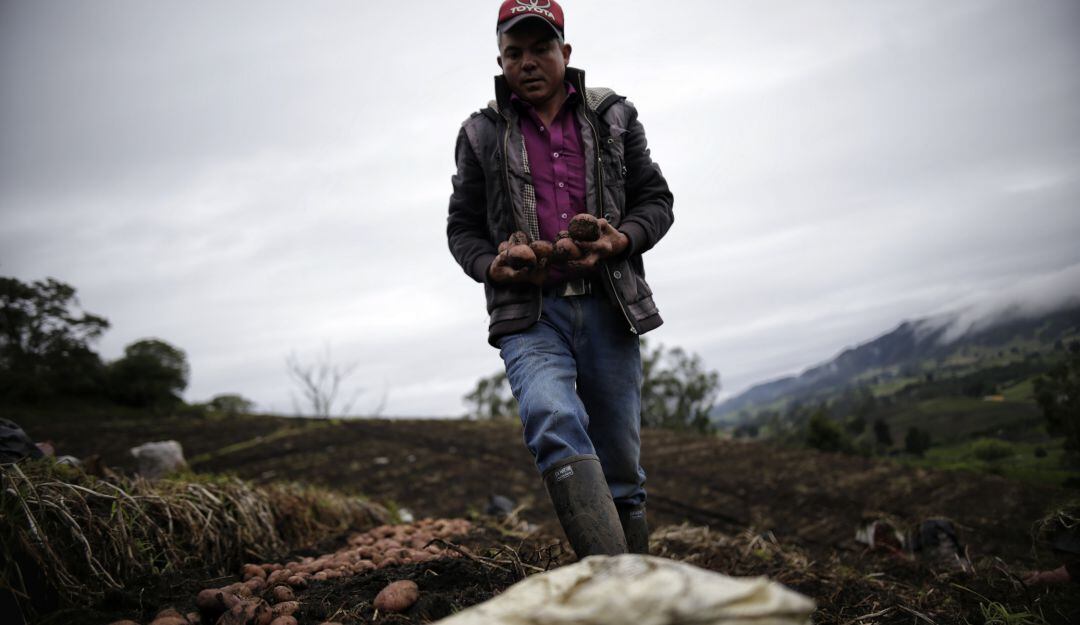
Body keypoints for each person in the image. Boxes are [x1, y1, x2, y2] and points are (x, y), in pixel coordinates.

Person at [446, 0, 673, 559]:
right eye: (514, 53)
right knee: (551, 414)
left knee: (621, 464)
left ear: (565, 53)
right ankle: (608, 574)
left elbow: (656, 201)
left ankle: (634, 581)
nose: (527, 62)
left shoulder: (613, 116)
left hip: (608, 305)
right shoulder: (481, 134)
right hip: (531, 314)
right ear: (500, 62)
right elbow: (463, 229)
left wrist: (620, 240)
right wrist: (492, 265)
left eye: (541, 48)